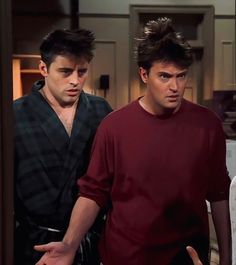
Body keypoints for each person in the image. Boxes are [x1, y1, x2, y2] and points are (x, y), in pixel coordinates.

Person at [34, 18, 231, 265]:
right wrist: (70, 244)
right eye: (165, 76)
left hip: (187, 257)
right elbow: (93, 193)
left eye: (181, 76)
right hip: (125, 256)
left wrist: (226, 258)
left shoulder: (207, 125)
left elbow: (219, 194)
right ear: (144, 74)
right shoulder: (114, 126)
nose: (175, 87)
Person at [14, 28, 112, 265]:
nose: (75, 80)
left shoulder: (101, 111)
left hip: (89, 242)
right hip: (36, 244)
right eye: (65, 71)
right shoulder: (14, 115)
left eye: (82, 72)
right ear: (43, 69)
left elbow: (111, 179)